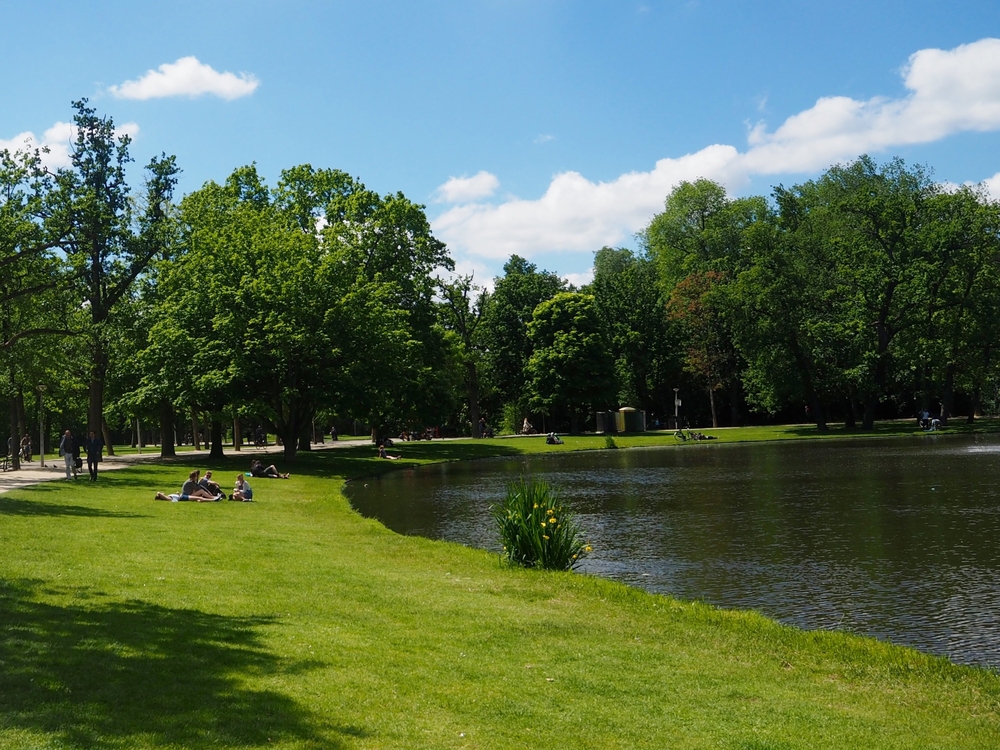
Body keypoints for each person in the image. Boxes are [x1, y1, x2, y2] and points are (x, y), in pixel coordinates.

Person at [155, 470, 221, 502]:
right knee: (201, 491)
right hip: (186, 495)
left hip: (186, 495)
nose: (197, 477)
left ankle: (213, 498)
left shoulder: (191, 481)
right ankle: (213, 498)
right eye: (196, 476)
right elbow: (199, 488)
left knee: (200, 494)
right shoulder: (190, 482)